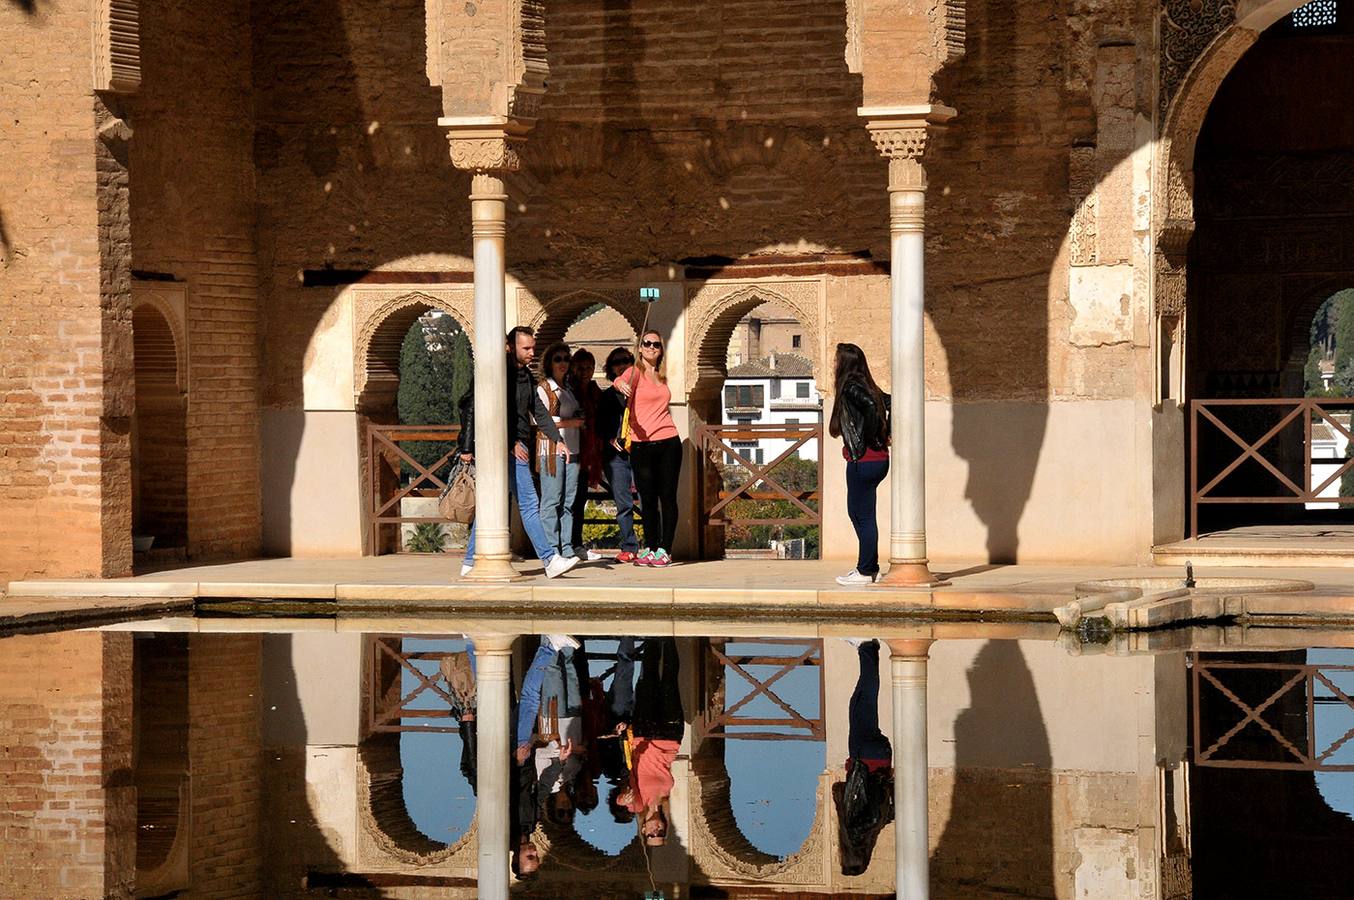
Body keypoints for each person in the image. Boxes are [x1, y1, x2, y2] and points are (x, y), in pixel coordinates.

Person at [460, 327, 579, 580]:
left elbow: (538, 410)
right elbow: (488, 410)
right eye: (526, 348)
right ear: (509, 347)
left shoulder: (524, 375)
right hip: (507, 448)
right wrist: (509, 441)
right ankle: (549, 559)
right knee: (529, 503)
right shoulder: (497, 375)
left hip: (517, 445)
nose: (532, 353)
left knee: (492, 507)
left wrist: (557, 440)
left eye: (533, 348)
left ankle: (470, 561)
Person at [615, 331, 681, 567]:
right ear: (640, 348)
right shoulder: (634, 372)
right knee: (648, 499)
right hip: (642, 445)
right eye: (647, 344)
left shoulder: (661, 376)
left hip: (668, 441)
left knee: (668, 496)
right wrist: (621, 384)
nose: (652, 347)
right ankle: (651, 547)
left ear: (661, 350)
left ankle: (666, 549)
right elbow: (619, 380)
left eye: (656, 344)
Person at [828, 342, 891, 586]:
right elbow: (889, 401)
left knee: (860, 516)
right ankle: (869, 568)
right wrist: (886, 434)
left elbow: (871, 406)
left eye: (836, 360)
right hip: (877, 460)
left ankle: (865, 571)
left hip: (863, 461)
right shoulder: (869, 385)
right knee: (865, 516)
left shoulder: (850, 387)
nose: (833, 364)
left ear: (844, 362)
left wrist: (871, 436)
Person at [833, 638, 894, 876]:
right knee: (863, 701)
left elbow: (890, 810)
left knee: (862, 702)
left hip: (882, 759)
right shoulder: (854, 831)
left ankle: (869, 650)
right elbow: (839, 788)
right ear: (846, 856)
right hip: (864, 757)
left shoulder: (874, 831)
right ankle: (867, 647)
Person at [614, 636, 684, 845]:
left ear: (643, 829)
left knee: (649, 678)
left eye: (651, 835)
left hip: (644, 735)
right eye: (660, 834)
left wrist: (623, 797)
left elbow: (621, 800)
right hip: (670, 738)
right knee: (670, 680)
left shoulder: (638, 805)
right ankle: (671, 637)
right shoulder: (666, 800)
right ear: (665, 828)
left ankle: (654, 635)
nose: (656, 831)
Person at [535, 342, 585, 561]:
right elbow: (539, 420)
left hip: (573, 450)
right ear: (549, 362)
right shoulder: (544, 389)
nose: (563, 363)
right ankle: (551, 550)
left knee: (569, 501)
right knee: (552, 500)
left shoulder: (569, 388)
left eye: (566, 358)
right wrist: (572, 422)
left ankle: (566, 546)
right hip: (551, 450)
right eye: (558, 359)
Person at [598, 348, 641, 563]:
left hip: (640, 451)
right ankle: (629, 546)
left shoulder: (641, 392)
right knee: (623, 503)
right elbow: (598, 424)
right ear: (610, 367)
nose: (621, 365)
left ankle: (653, 544)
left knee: (647, 499)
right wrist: (610, 438)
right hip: (616, 456)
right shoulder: (607, 397)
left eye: (626, 361)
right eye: (616, 362)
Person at [568, 349, 606, 561]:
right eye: (581, 367)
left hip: (587, 454)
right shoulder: (568, 390)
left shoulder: (593, 390)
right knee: (567, 501)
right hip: (570, 451)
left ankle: (575, 543)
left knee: (579, 499)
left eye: (589, 368)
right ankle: (566, 544)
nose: (585, 372)